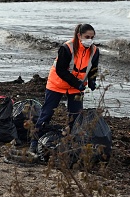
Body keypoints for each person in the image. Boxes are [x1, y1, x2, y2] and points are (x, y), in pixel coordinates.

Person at [29, 23, 100, 154]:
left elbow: (93, 68)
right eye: (87, 36)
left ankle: (69, 144)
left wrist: (92, 80)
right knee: (47, 113)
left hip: (76, 87)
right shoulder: (67, 48)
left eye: (92, 37)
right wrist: (76, 82)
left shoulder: (94, 51)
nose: (90, 40)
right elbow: (61, 70)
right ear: (79, 36)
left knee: (75, 117)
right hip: (56, 84)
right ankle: (34, 143)